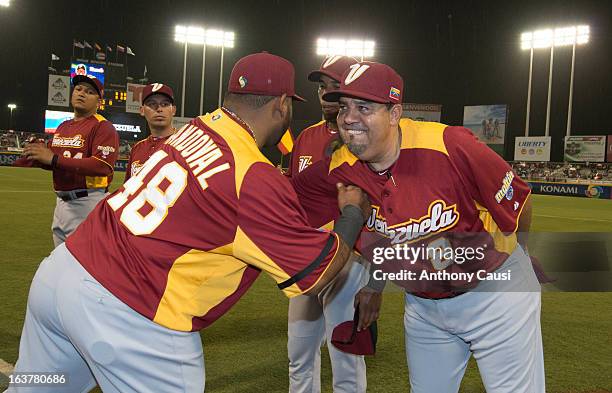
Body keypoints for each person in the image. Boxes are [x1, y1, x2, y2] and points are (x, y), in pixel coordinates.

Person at [7, 52, 371, 393]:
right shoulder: (253, 175)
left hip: (59, 279)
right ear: (282, 104)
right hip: (130, 312)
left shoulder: (197, 127)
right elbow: (316, 273)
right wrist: (353, 211)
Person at [291, 61, 545, 393]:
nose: (349, 117)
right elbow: (284, 200)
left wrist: (519, 259)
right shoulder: (340, 168)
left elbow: (519, 203)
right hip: (424, 306)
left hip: (494, 295)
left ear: (394, 113)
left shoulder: (450, 145)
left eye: (364, 107)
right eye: (344, 107)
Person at [286, 55, 371, 393]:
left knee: (345, 357)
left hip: (347, 258)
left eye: (334, 86)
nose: (325, 93)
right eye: (322, 86)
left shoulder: (365, 138)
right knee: (298, 352)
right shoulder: (305, 136)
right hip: (306, 257)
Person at [16, 74, 118, 246]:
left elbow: (102, 166)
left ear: (99, 102)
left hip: (88, 202)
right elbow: (53, 161)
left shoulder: (103, 126)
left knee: (83, 265)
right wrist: (34, 156)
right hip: (62, 203)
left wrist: (53, 159)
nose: (82, 93)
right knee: (61, 262)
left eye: (90, 92)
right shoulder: (63, 127)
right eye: (78, 89)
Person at [125, 83, 177, 182]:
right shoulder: (137, 148)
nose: (159, 109)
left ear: (173, 110)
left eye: (165, 104)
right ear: (142, 110)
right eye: (152, 104)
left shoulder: (186, 144)